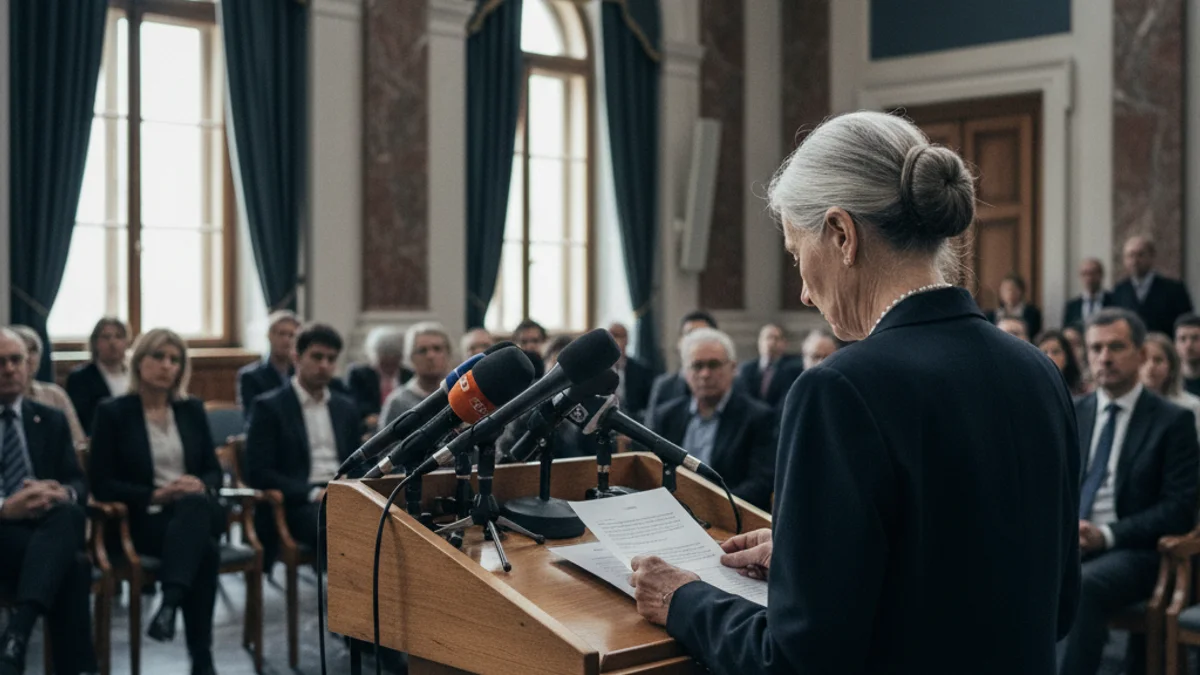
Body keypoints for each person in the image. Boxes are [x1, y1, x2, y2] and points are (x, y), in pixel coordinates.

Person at [628, 111, 1079, 674]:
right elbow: (1053, 606)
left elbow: (796, 661)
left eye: (797, 254)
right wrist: (809, 562)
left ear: (842, 234)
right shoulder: (1038, 371)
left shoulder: (839, 390)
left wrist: (684, 599)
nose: (803, 290)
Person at [1058, 310, 1198, 674]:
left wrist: (1106, 535)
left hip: (1136, 551)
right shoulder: (1074, 411)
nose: (1104, 357)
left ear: (1141, 353)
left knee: (1081, 583)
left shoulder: (1173, 421)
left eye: (1116, 347)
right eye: (1096, 348)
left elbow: (1179, 509)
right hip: (1071, 542)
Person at [87, 328, 223, 675]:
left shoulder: (191, 409)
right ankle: (201, 657)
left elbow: (213, 471)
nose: (167, 366)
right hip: (143, 519)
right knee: (206, 551)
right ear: (139, 361)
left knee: (194, 504)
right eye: (158, 357)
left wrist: (198, 483)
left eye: (175, 360)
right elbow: (101, 484)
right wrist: (157, 494)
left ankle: (170, 602)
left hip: (193, 511)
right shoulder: (114, 412)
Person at [0, 328, 99, 675]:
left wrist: (61, 492)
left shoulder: (49, 418)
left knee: (68, 511)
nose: (9, 369)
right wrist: (5, 508)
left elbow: (77, 482)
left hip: (45, 529)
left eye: (16, 360)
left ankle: (17, 631)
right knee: (73, 565)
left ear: (29, 366)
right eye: (0, 362)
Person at [246, 324, 361, 559]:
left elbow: (359, 459)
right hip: (298, 502)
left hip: (344, 493)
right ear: (296, 357)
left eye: (331, 359)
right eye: (317, 357)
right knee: (340, 525)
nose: (324, 365)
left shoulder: (345, 407)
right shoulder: (269, 407)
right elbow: (259, 472)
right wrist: (312, 493)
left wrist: (353, 482)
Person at [646, 328, 776, 510]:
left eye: (714, 365)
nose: (705, 374)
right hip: (671, 512)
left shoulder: (758, 417)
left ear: (733, 368)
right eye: (697, 366)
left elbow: (761, 483)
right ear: (685, 372)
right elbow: (650, 471)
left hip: (730, 516)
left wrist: (708, 509)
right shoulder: (665, 416)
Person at [9, 325, 86, 445]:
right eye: (21, 351)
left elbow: (78, 442)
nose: (28, 357)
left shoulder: (55, 395)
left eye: (33, 350)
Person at [1111, 235, 1194, 335]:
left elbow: (1186, 324)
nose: (1135, 261)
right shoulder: (1118, 291)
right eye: (1130, 255)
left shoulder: (1174, 289)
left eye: (1140, 255)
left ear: (1152, 256)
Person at [379, 322, 453, 428]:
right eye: (422, 350)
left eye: (437, 349)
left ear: (448, 353)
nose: (430, 356)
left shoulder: (461, 395)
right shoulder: (398, 402)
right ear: (410, 357)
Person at [645, 311, 719, 416]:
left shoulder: (731, 385)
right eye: (689, 335)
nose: (695, 342)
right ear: (679, 343)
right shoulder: (664, 386)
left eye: (702, 336)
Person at [66, 317, 129, 433]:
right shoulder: (80, 378)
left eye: (118, 336)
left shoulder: (136, 375)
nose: (113, 342)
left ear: (126, 342)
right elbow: (81, 420)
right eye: (106, 337)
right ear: (95, 343)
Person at [236, 310, 299, 419]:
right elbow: (252, 416)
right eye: (281, 334)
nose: (286, 340)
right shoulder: (250, 376)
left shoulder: (300, 374)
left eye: (291, 335)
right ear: (270, 336)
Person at [342, 326, 413, 422]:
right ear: (375, 355)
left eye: (394, 360)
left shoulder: (410, 376)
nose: (389, 363)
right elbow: (353, 403)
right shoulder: (358, 375)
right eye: (385, 361)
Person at [1140, 332, 1200, 440]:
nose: (1150, 366)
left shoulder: (1191, 406)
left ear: (1171, 366)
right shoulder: (1125, 405)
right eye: (1143, 360)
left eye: (1158, 360)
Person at [738, 324, 802, 409]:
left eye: (776, 338)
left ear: (784, 343)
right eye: (767, 338)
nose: (771, 342)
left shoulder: (793, 369)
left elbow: (787, 398)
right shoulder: (747, 369)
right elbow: (744, 396)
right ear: (759, 342)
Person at [608, 322, 654, 421]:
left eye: (618, 336)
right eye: (611, 337)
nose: (615, 341)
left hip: (634, 422)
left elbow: (649, 406)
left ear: (627, 340)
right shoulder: (599, 371)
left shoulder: (642, 370)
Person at [1063, 258, 1113, 330]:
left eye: (1093, 273)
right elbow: (1066, 331)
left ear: (1101, 275)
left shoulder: (1114, 301)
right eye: (1085, 274)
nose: (1089, 278)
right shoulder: (1072, 306)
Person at [987, 273, 1043, 337]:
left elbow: (1036, 336)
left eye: (1012, 289)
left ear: (1020, 291)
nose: (1009, 293)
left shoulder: (1033, 314)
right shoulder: (992, 315)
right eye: (1005, 289)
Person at [1035, 330, 1087, 396]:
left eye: (1055, 352)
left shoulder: (1083, 392)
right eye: (1044, 352)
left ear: (1067, 356)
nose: (1050, 357)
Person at [1175, 313, 1200, 397]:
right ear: (1175, 345)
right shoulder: (1168, 382)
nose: (1188, 345)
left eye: (1195, 338)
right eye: (1182, 339)